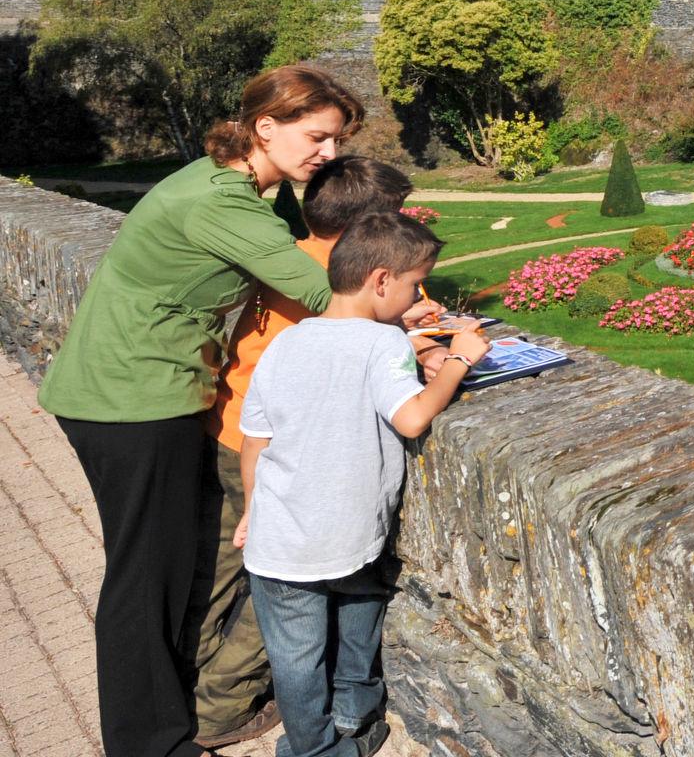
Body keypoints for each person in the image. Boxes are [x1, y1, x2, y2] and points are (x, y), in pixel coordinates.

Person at [39, 64, 365, 757]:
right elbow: (318, 293)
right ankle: (150, 744)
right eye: (318, 137)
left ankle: (176, 705)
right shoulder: (222, 202)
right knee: (144, 576)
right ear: (264, 126)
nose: (328, 155)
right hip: (128, 399)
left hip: (155, 389)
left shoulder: (246, 187)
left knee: (177, 562)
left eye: (335, 141)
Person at [235, 212, 488, 757]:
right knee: (360, 603)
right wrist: (459, 362)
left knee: (295, 660)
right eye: (413, 283)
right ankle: (340, 726)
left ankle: (313, 741)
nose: (417, 293)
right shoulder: (381, 346)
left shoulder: (286, 343)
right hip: (349, 534)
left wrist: (252, 509)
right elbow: (412, 418)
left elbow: (255, 440)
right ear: (380, 281)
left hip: (277, 538)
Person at [192, 156, 420, 746]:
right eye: (392, 222)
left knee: (225, 578)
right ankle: (223, 708)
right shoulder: (322, 286)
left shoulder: (289, 255)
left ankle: (193, 684)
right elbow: (358, 359)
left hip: (236, 427)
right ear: (366, 238)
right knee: (282, 593)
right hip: (290, 449)